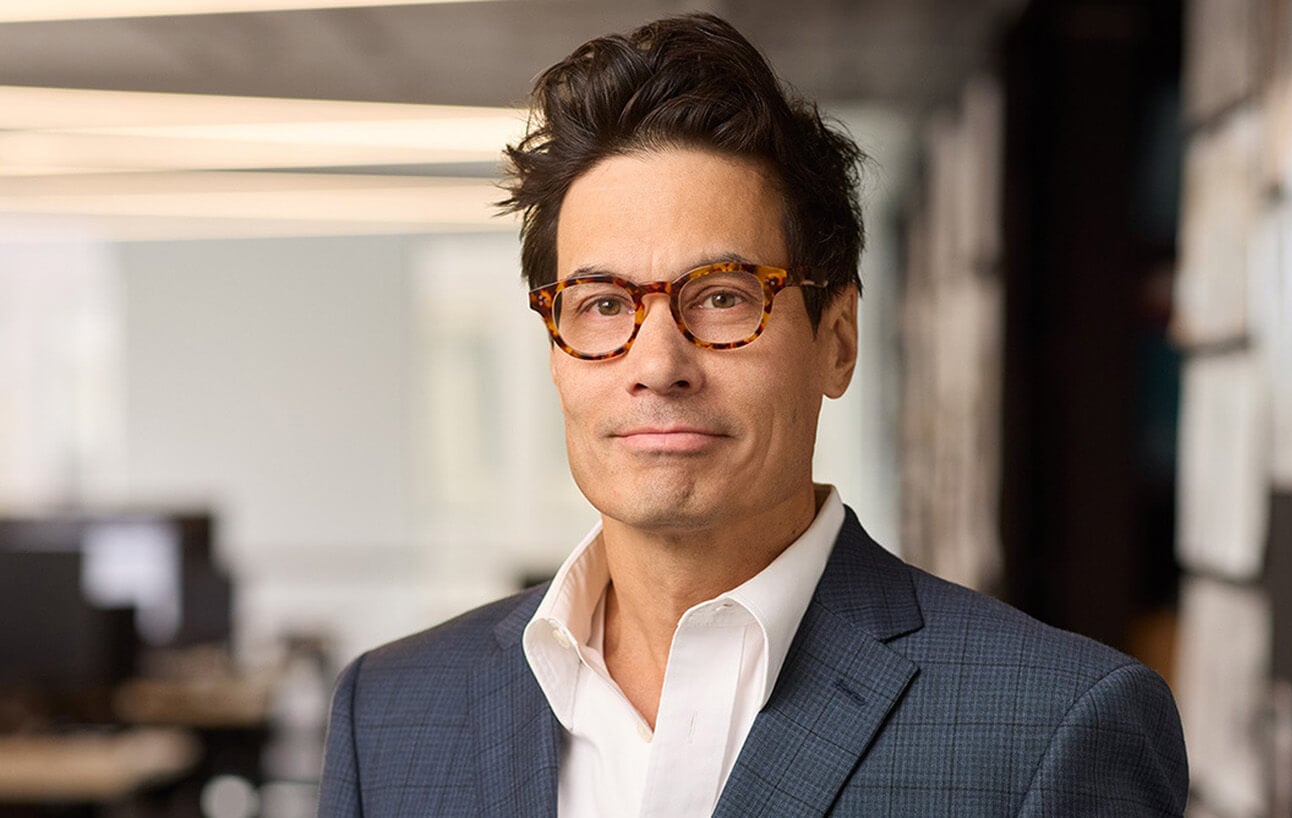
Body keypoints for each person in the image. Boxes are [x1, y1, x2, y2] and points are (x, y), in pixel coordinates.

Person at [317, 13, 1187, 817]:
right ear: (554, 349)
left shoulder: (1051, 728)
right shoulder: (390, 716)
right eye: (602, 305)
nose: (657, 364)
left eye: (724, 298)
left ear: (837, 339)